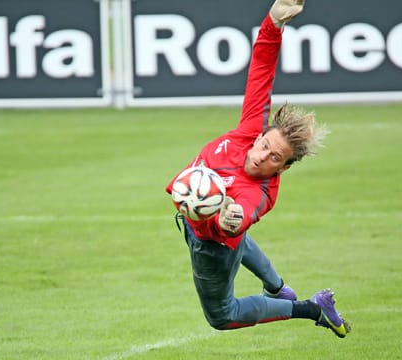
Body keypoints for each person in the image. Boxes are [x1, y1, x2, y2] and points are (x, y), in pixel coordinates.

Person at [166, 0, 350, 338]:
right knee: (241, 241)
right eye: (265, 145)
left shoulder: (259, 193)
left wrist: (225, 220)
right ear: (260, 136)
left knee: (222, 316)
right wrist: (273, 24)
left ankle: (311, 308)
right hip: (199, 220)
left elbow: (236, 222)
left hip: (213, 246)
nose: (262, 156)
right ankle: (278, 287)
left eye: (275, 158)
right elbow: (261, 72)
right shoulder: (250, 131)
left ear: (284, 168)